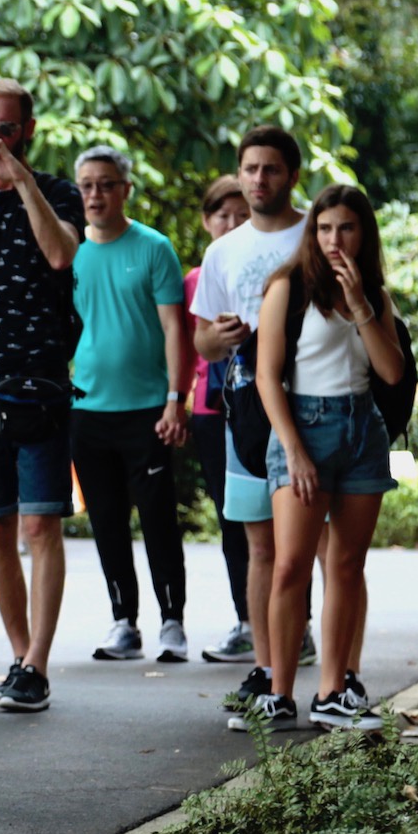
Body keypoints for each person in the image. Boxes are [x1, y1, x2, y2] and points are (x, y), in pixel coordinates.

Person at [246, 185, 402, 731]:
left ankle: (334, 691)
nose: (335, 239)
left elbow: (391, 372)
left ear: (365, 234)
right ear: (313, 232)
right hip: (302, 428)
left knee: (346, 566)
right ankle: (279, 692)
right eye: (325, 227)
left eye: (347, 228)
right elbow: (268, 376)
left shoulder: (376, 295)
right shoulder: (288, 287)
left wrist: (360, 305)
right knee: (290, 565)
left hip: (363, 430)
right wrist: (293, 451)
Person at [0, 78, 83, 712]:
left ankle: (38, 661)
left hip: (40, 382)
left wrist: (23, 181)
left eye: (4, 129)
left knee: (41, 524)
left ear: (27, 130)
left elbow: (60, 256)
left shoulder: (57, 191)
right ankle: (19, 656)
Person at [189, 127, 310, 715]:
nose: (260, 179)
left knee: (317, 547)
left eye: (271, 169)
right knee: (260, 546)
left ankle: (334, 676)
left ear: (292, 175)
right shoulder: (222, 250)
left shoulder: (318, 232)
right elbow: (202, 341)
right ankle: (265, 671)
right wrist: (221, 334)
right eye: (250, 169)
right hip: (246, 411)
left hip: (316, 404)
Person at [67, 146, 192, 663]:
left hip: (148, 409)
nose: (95, 194)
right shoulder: (69, 251)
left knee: (158, 517)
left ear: (125, 190)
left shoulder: (153, 247)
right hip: (87, 408)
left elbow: (173, 328)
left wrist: (174, 401)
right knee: (107, 521)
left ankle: (172, 623)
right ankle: (124, 622)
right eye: (87, 185)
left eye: (106, 184)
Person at [185, 176, 252, 663]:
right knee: (231, 520)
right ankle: (246, 621)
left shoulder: (269, 269)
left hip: (264, 407)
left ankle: (300, 626)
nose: (231, 224)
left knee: (275, 523)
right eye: (222, 215)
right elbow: (189, 347)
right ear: (207, 222)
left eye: (241, 214)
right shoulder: (197, 277)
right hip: (211, 410)